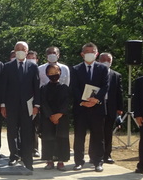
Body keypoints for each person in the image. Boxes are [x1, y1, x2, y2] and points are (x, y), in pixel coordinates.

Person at [0, 41, 40, 171]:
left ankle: (27, 159)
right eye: (18, 49)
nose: (20, 51)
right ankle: (13, 156)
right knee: (12, 132)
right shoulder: (7, 66)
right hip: (11, 105)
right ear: (14, 51)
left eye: (23, 49)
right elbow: (3, 87)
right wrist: (3, 105)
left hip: (28, 105)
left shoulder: (33, 67)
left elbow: (36, 87)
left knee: (27, 132)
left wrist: (36, 105)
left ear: (27, 52)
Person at [70, 42, 109, 172]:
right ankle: (78, 161)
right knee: (79, 136)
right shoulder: (75, 69)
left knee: (98, 136)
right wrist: (83, 101)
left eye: (92, 51)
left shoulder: (103, 69)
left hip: (97, 108)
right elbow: (74, 87)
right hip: (81, 108)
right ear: (82, 54)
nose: (89, 54)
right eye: (87, 52)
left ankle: (98, 161)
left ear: (96, 53)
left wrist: (96, 100)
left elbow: (105, 86)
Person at [40, 63, 71, 171]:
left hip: (61, 118)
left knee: (61, 138)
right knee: (48, 139)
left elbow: (66, 102)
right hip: (47, 118)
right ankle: (49, 160)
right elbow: (43, 103)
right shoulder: (43, 88)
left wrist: (59, 114)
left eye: (56, 72)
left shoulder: (64, 88)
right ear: (47, 74)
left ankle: (61, 161)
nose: (53, 75)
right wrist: (50, 115)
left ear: (60, 73)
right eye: (51, 73)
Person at [99, 52, 124, 164]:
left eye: (108, 60)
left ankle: (107, 155)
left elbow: (119, 93)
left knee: (108, 131)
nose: (106, 62)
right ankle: (96, 154)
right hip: (97, 104)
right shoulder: (95, 73)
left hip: (111, 106)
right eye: (104, 60)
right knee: (97, 131)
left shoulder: (116, 75)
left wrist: (120, 108)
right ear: (99, 60)